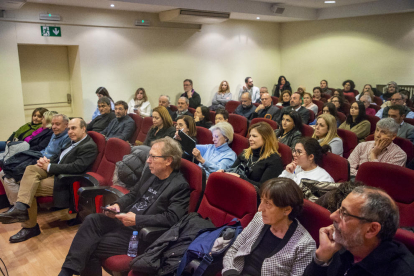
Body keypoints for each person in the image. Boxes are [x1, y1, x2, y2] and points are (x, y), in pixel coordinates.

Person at [58, 137, 190, 276]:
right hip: (124, 221)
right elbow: (133, 194)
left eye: (153, 157)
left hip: (141, 234)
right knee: (92, 220)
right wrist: (118, 205)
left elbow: (172, 218)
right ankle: (66, 272)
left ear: (168, 160)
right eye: (149, 156)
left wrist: (137, 219)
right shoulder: (150, 174)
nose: (148, 160)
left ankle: (65, 272)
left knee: (90, 247)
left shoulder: (179, 186)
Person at [0, 118, 98, 243]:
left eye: (74, 128)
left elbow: (76, 167)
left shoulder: (89, 146)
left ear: (84, 128)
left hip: (65, 180)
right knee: (30, 169)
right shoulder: (72, 142)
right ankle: (20, 207)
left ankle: (29, 226)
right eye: (69, 129)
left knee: (27, 188)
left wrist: (50, 167)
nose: (70, 132)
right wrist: (47, 161)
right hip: (55, 171)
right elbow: (59, 157)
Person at [303, 186, 414, 276]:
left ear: (371, 229)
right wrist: (322, 258)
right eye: (339, 208)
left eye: (344, 213)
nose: (332, 216)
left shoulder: (402, 271)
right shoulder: (341, 246)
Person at [223, 178, 316, 276]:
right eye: (261, 200)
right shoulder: (259, 219)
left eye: (268, 203)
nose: (260, 209)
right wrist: (230, 272)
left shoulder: (305, 245)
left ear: (287, 210)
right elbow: (234, 248)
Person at [0, 112, 68, 208]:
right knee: (3, 172)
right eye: (52, 124)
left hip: (46, 163)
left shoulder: (66, 138)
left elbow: (59, 157)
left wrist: (43, 159)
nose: (54, 127)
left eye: (57, 124)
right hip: (39, 157)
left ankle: (19, 208)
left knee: (8, 177)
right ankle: (16, 206)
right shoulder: (55, 134)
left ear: (66, 125)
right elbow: (46, 149)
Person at [219, 122, 284, 189]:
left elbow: (264, 188)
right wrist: (224, 172)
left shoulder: (274, 160)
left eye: (254, 136)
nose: (250, 139)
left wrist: (240, 178)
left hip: (252, 196)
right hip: (234, 187)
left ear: (266, 139)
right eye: (250, 136)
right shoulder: (245, 153)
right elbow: (232, 171)